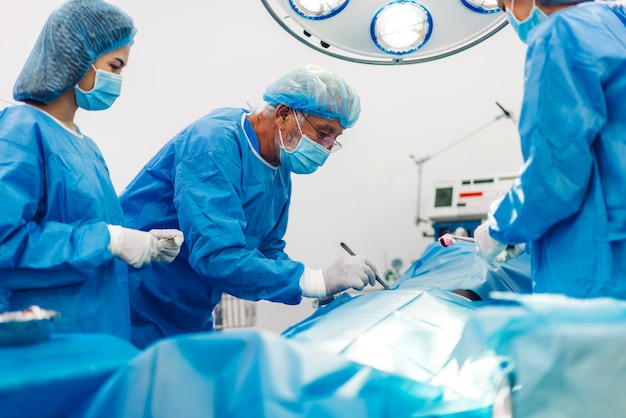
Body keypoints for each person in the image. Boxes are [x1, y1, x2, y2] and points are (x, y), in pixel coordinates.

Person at [120, 65, 379, 348]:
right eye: (323, 133)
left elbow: (267, 249)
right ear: (282, 114)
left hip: (187, 308)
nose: (327, 147)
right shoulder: (213, 145)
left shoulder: (278, 167)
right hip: (134, 302)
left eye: (334, 140)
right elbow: (217, 256)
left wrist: (319, 284)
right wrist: (315, 280)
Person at [0, 0, 183, 339]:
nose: (117, 79)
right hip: (46, 339)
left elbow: (95, 234)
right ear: (77, 56)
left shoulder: (86, 147)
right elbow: (5, 243)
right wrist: (110, 239)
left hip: (102, 332)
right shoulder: (21, 131)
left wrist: (145, 245)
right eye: (114, 66)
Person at [473, 0, 626, 299]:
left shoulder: (561, 33)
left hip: (600, 265)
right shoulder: (615, 24)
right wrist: (527, 233)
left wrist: (500, 227)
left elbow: (556, 173)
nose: (507, 15)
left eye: (504, 5)